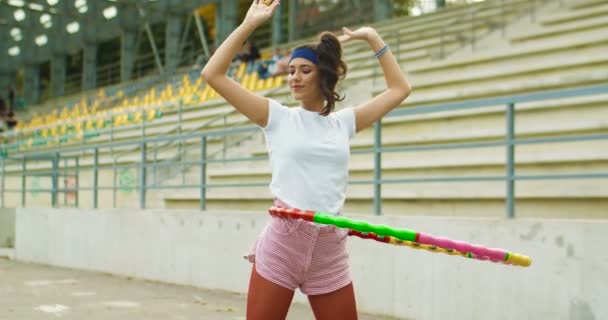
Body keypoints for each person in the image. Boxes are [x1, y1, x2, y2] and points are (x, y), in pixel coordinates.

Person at [201, 1, 411, 319]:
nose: (294, 77)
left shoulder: (344, 123)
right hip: (284, 243)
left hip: (330, 249)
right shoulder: (277, 117)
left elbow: (400, 88)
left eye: (305, 70)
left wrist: (373, 39)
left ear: (323, 76)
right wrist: (248, 25)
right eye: (291, 70)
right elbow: (212, 74)